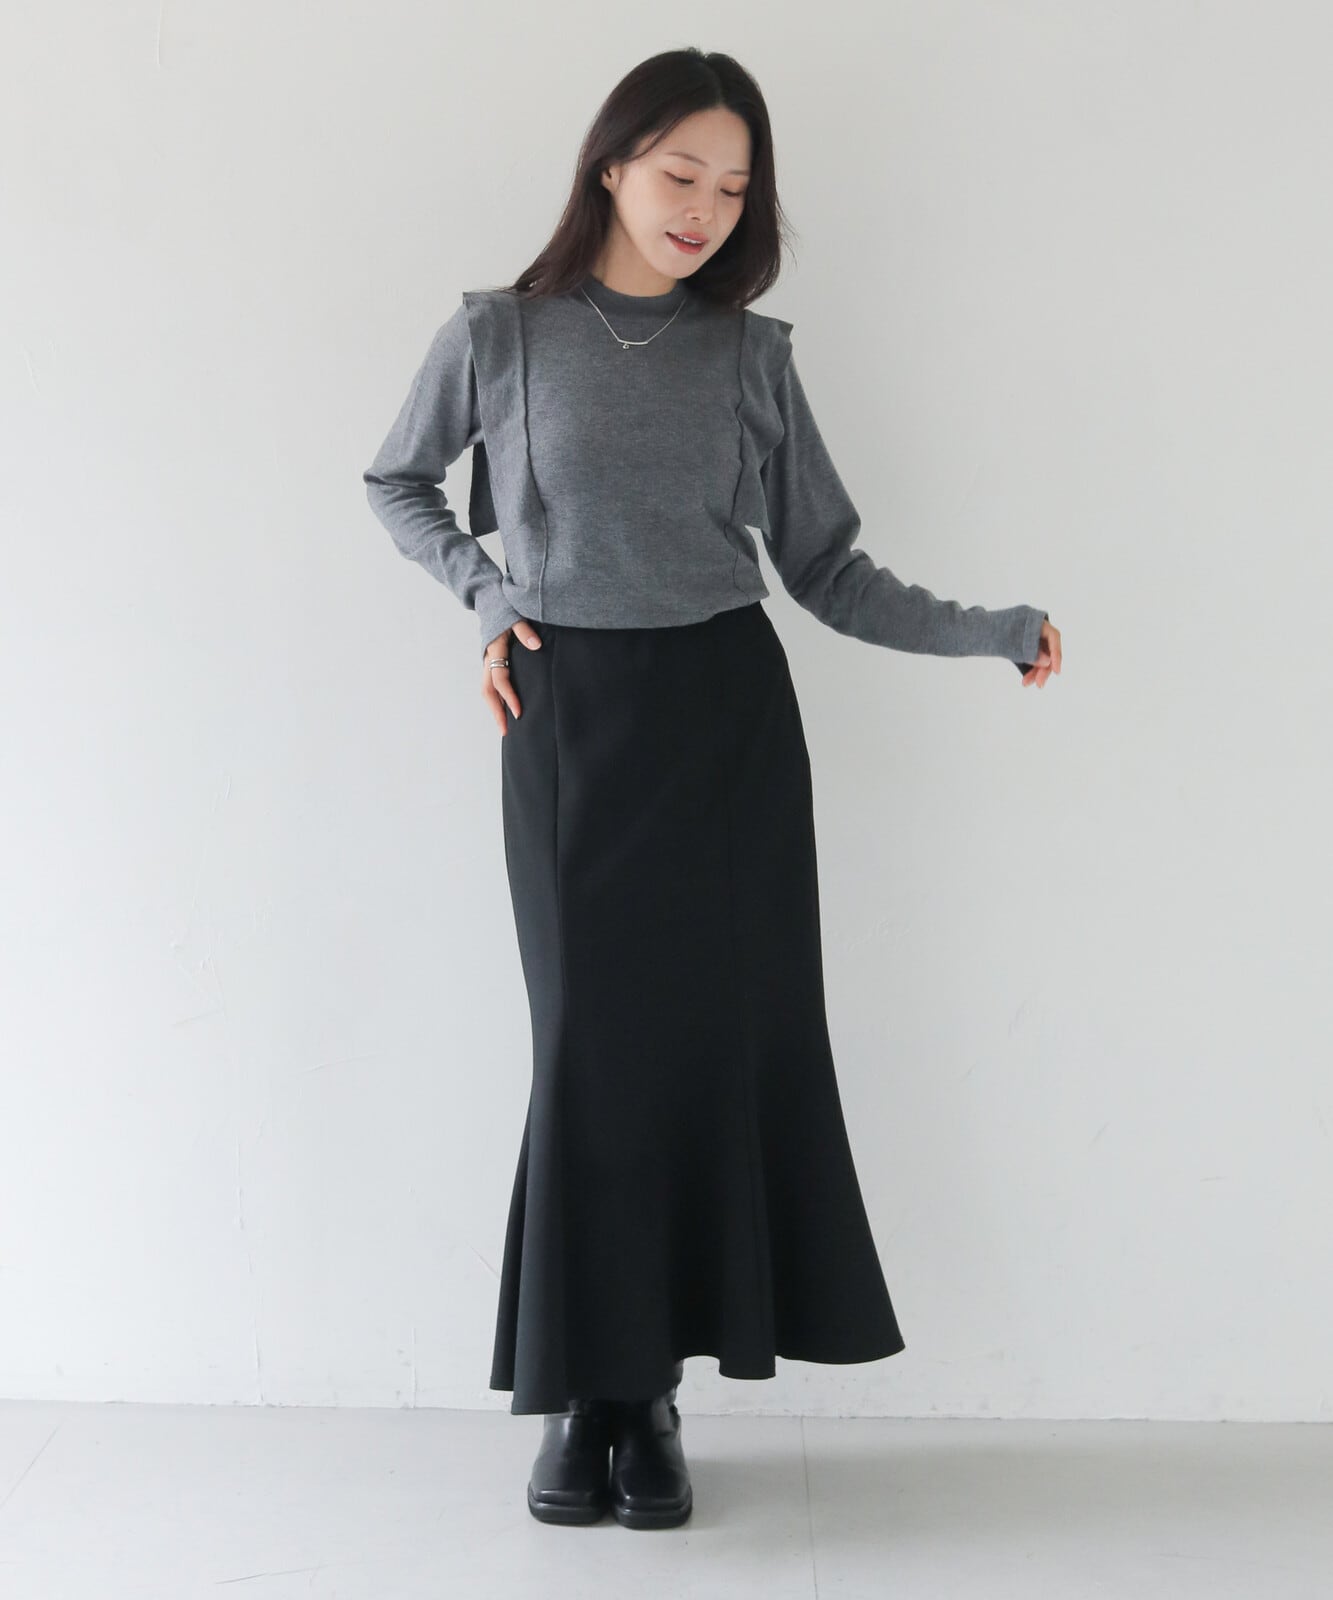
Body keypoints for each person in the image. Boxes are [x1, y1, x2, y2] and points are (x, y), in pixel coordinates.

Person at [362, 46, 1060, 1533]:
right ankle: (589, 1391)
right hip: (568, 720)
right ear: (612, 164)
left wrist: (989, 630)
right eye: (680, 172)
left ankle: (652, 1399)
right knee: (588, 1054)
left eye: (733, 187)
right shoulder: (498, 334)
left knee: (707, 1056)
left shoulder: (751, 357)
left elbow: (825, 568)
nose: (703, 207)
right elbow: (397, 482)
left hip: (726, 726)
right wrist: (486, 597)